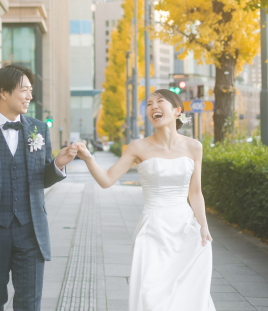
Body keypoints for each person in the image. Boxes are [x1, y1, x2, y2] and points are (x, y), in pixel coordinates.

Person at [0, 64, 82, 310]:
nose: (29, 96)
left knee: (29, 304)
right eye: (24, 90)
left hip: (31, 232)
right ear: (4, 93)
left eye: (30, 90)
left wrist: (58, 163)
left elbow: (42, 178)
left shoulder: (38, 128)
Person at [76, 89, 215, 311]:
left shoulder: (194, 146)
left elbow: (195, 192)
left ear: (177, 111)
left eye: (160, 102)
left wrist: (203, 226)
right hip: (153, 230)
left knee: (188, 295)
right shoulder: (137, 147)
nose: (153, 107)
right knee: (151, 294)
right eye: (149, 104)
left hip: (186, 229)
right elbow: (107, 180)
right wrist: (88, 159)